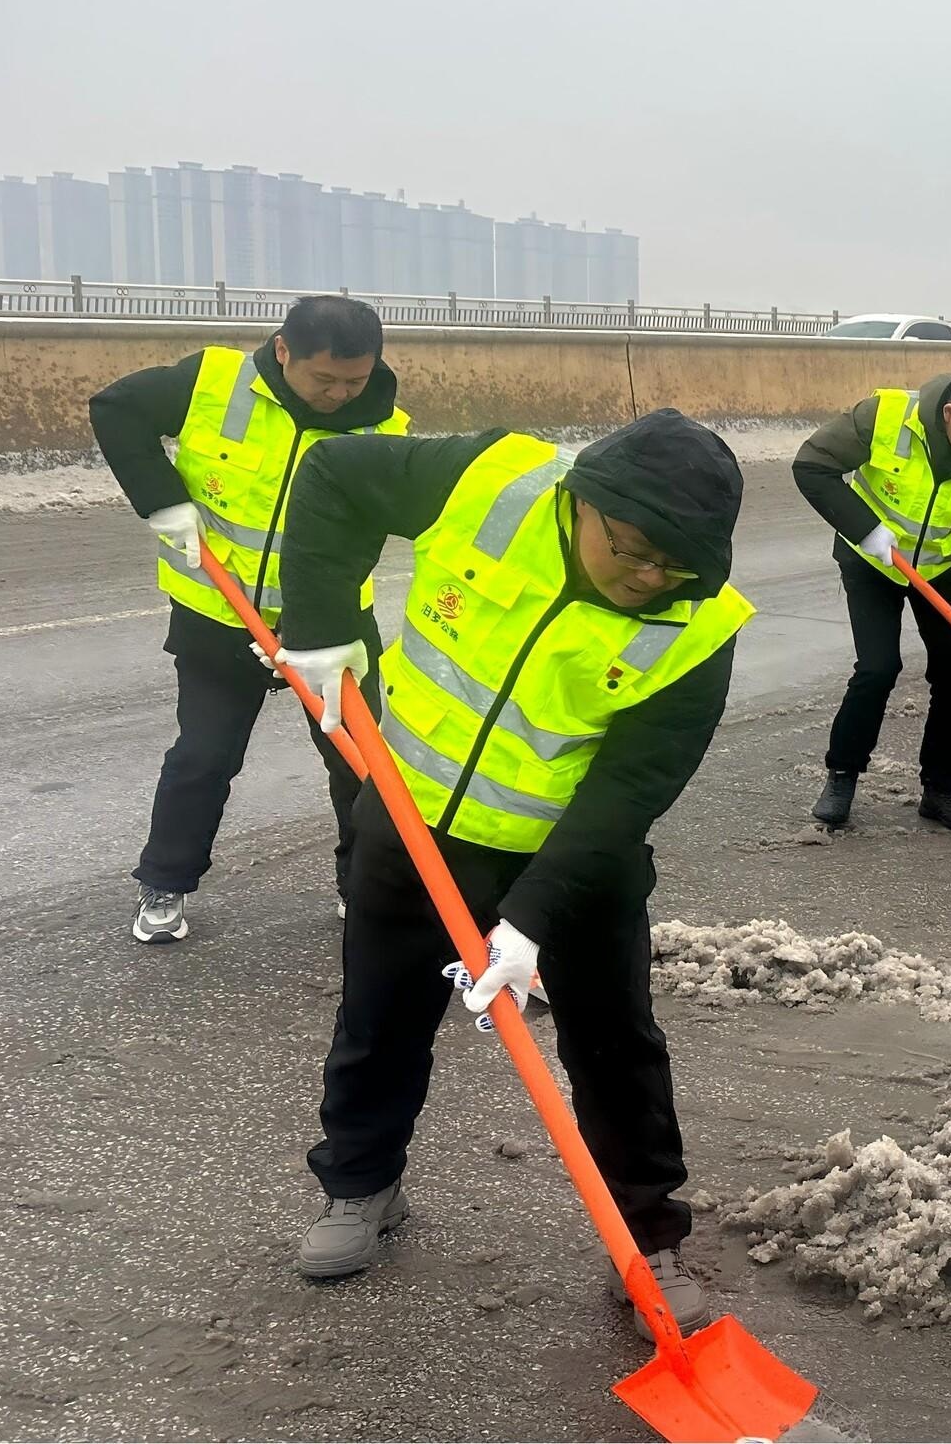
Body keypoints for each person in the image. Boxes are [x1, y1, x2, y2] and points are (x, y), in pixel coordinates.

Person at [269, 409, 750, 1338]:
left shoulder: (700, 629)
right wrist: (323, 629)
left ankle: (643, 1235)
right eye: (636, 550)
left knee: (616, 1044)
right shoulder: (488, 479)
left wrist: (529, 920)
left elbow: (628, 791)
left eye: (675, 566)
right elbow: (331, 475)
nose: (651, 579)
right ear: (585, 504)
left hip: (573, 855)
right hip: (416, 820)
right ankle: (362, 1189)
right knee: (379, 1013)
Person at [90, 295, 404, 945]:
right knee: (204, 755)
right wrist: (163, 504)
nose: (340, 395)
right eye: (325, 379)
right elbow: (116, 409)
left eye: (355, 380)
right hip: (218, 616)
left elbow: (357, 542)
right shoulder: (212, 382)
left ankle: (367, 888)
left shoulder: (384, 430)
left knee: (360, 762)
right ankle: (166, 883)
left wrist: (320, 630)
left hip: (331, 627)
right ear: (283, 350)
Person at [794, 372, 951, 831]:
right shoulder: (885, 416)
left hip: (941, 566)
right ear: (950, 414)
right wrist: (864, 528)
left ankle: (940, 789)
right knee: (878, 668)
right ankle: (842, 776)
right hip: (871, 559)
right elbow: (812, 465)